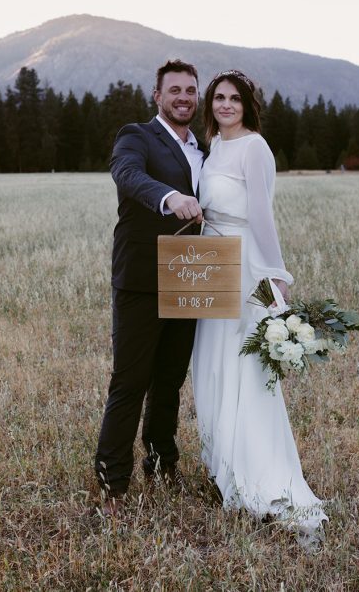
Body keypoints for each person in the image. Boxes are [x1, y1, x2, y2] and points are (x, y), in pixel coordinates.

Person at [191, 69, 327, 545]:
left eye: (234, 99)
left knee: (244, 370)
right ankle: (224, 466)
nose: (225, 105)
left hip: (246, 265)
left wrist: (277, 276)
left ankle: (261, 476)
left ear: (247, 104)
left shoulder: (255, 148)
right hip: (213, 264)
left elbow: (263, 214)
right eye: (219, 98)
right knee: (211, 366)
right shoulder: (213, 148)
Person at [94, 59, 206, 508]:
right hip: (142, 278)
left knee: (170, 379)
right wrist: (168, 196)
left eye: (190, 91)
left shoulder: (205, 148)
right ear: (156, 96)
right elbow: (127, 175)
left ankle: (161, 463)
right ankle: (112, 479)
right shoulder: (135, 136)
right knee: (130, 381)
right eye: (174, 90)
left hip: (190, 273)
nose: (183, 97)